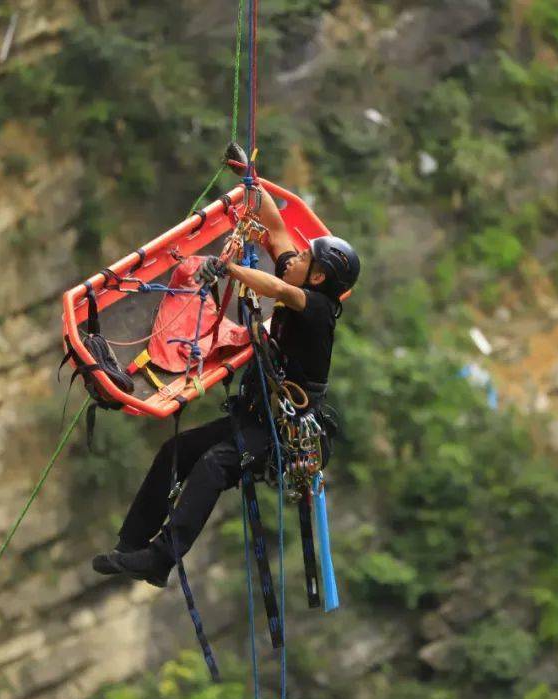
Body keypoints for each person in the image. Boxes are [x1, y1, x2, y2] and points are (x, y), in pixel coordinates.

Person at [91, 175, 360, 587]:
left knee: (215, 465)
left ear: (319, 278)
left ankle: (162, 559)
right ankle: (131, 547)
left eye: (306, 257)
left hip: (280, 431)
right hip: (256, 415)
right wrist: (251, 179)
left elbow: (276, 289)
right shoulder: (298, 277)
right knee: (176, 452)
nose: (294, 258)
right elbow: (278, 228)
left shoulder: (318, 308)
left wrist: (229, 267)